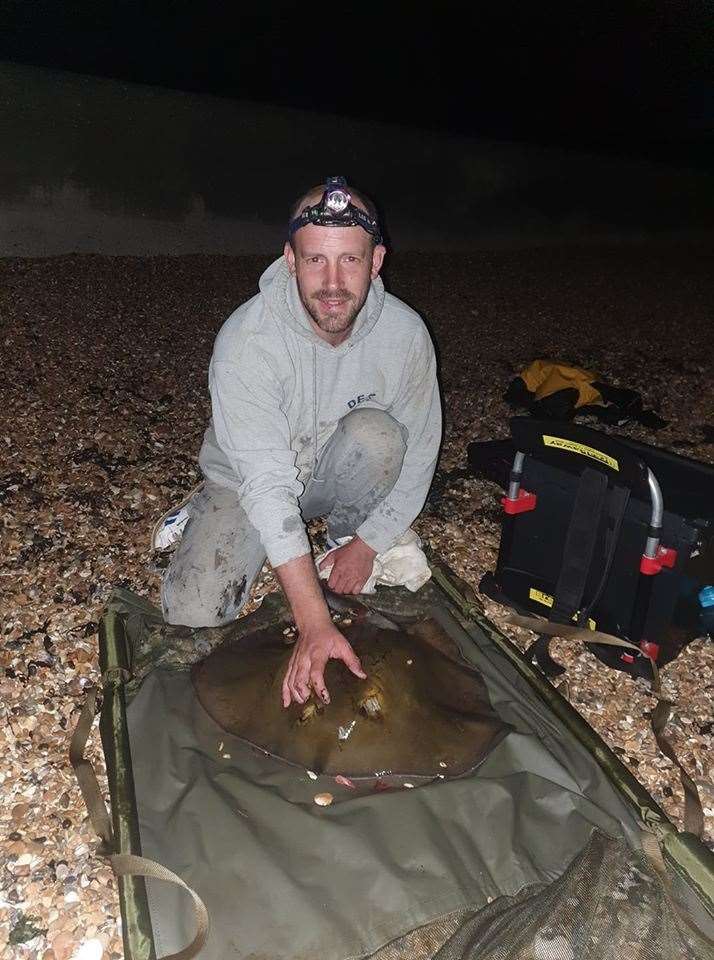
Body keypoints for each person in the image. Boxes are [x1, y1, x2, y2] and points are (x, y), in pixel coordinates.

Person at [161, 177, 442, 707]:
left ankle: (341, 537)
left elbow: (422, 448)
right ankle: (201, 512)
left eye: (350, 261)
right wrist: (313, 622)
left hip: (337, 466)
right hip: (248, 480)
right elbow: (268, 485)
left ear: (376, 260)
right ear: (290, 260)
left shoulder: (407, 336)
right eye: (316, 261)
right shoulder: (247, 341)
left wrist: (369, 543)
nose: (333, 282)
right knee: (193, 612)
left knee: (381, 435)